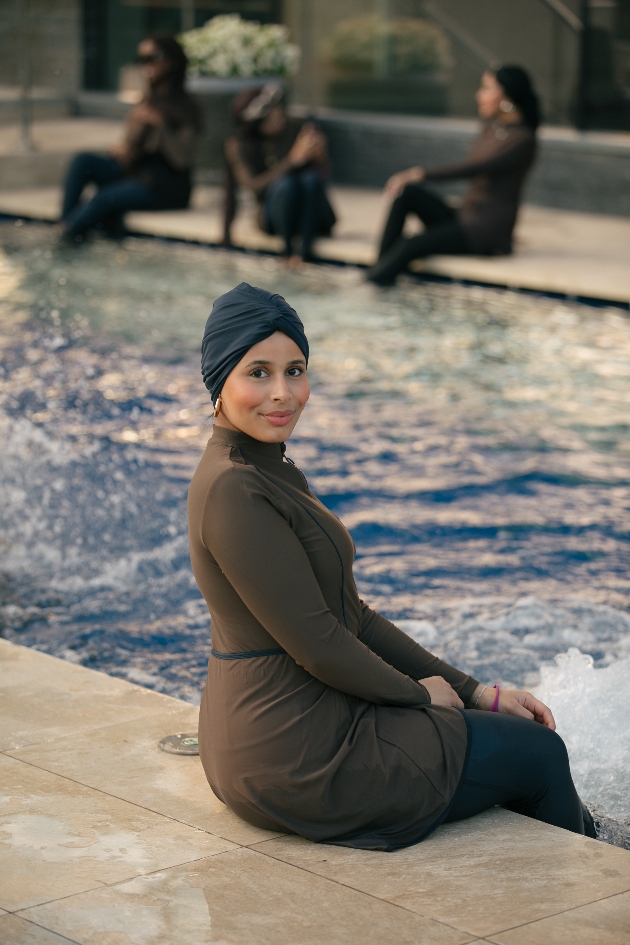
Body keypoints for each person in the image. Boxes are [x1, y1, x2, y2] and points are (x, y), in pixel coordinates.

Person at [187, 282, 595, 850]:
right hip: (293, 751)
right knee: (540, 754)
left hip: (301, 722)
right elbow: (320, 643)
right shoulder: (234, 487)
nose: (283, 393)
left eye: (295, 370)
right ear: (220, 381)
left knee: (512, 741)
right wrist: (419, 695)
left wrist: (476, 692)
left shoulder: (264, 469)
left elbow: (354, 616)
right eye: (258, 372)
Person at [368, 65, 540, 286]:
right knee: (408, 194)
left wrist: (419, 173)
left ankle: (372, 284)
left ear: (507, 95)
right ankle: (376, 273)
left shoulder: (522, 139)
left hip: (482, 232)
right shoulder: (493, 128)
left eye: (486, 88)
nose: (479, 95)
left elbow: (474, 168)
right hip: (465, 217)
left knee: (410, 245)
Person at [60, 33, 201, 243]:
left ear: (171, 61)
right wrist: (124, 148)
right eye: (141, 59)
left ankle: (65, 238)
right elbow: (132, 150)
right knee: (83, 161)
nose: (145, 65)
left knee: (103, 198)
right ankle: (64, 225)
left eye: (152, 58)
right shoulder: (148, 100)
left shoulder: (187, 107)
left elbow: (182, 160)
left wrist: (160, 125)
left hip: (164, 186)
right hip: (136, 174)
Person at [223, 83, 336, 263]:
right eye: (267, 118)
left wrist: (319, 155)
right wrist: (292, 160)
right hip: (274, 214)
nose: (276, 116)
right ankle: (286, 251)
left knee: (310, 179)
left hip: (310, 213)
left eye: (277, 109)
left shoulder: (296, 128)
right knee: (286, 185)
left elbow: (323, 174)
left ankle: (302, 254)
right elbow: (254, 186)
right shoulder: (239, 144)